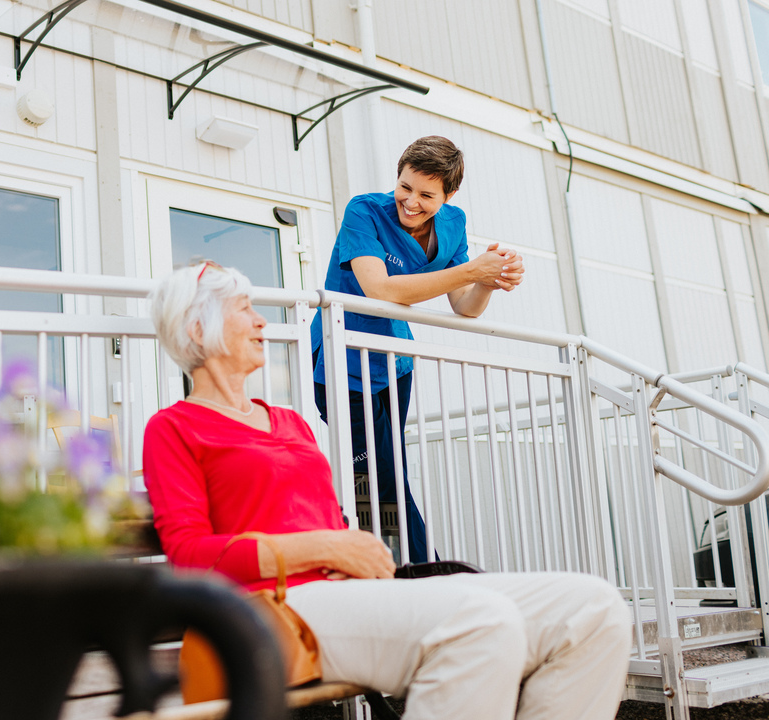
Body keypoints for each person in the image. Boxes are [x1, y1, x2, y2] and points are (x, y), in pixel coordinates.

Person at [143, 262, 628, 720]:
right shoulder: (174, 429)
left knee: (593, 608)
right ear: (196, 329)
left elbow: (325, 517)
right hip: (269, 608)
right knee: (479, 621)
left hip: (346, 595)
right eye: (244, 309)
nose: (260, 322)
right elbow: (190, 557)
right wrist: (327, 547)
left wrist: (354, 551)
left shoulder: (289, 421)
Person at [310, 136, 524, 564]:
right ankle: (427, 572)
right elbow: (379, 288)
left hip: (395, 365)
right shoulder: (364, 211)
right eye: (405, 187)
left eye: (426, 195)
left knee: (387, 476)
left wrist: (487, 280)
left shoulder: (453, 223)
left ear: (449, 196)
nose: (411, 201)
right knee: (377, 478)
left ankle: (390, 572)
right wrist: (469, 269)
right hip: (340, 365)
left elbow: (465, 306)